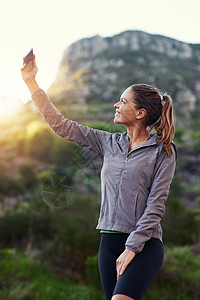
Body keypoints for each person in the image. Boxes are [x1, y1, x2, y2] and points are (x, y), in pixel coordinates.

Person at [21, 55, 177, 300]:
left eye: (123, 101)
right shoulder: (109, 142)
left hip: (144, 245)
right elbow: (62, 125)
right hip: (108, 241)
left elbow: (156, 205)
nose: (116, 105)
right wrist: (32, 83)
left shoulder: (162, 151)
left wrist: (131, 248)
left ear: (140, 113)